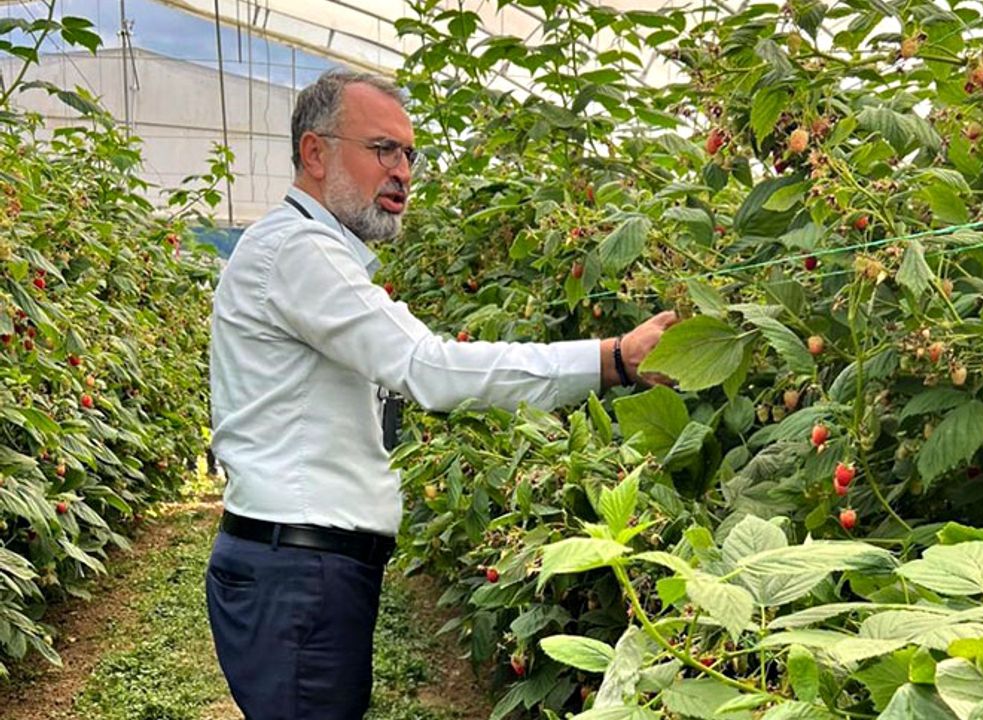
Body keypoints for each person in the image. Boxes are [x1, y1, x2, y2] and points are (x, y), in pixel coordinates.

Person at [204, 68, 679, 720]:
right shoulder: (298, 252)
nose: (402, 172)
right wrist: (612, 359)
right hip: (298, 575)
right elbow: (427, 367)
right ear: (315, 153)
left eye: (409, 154)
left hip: (299, 570)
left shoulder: (302, 250)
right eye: (382, 149)